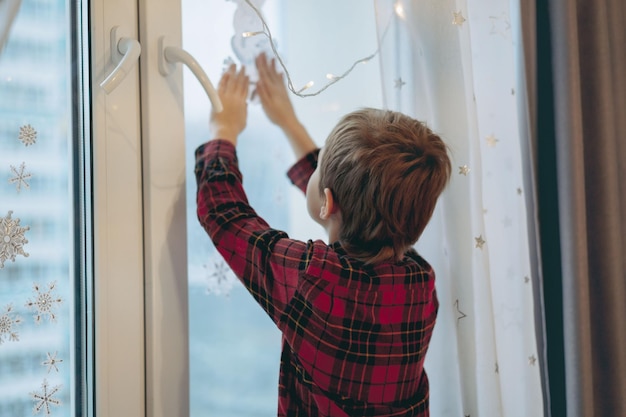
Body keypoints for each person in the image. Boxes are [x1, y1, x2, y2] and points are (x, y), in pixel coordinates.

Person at [194, 52, 451, 416]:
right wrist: (288, 122)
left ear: (328, 202)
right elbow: (359, 202)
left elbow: (225, 216)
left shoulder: (313, 280)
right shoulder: (420, 284)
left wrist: (224, 131)